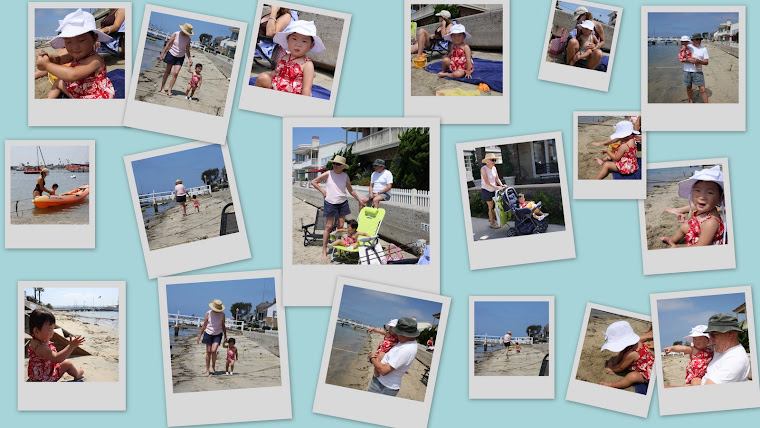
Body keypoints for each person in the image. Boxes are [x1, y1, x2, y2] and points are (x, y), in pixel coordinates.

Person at [35, 9, 115, 99]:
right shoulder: (74, 55)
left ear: (94, 38)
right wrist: (48, 58)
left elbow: (73, 75)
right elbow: (59, 59)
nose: (75, 47)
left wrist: (47, 65)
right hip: (78, 91)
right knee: (58, 82)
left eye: (81, 40)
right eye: (69, 42)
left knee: (61, 81)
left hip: (93, 96)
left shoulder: (94, 60)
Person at [311, 155, 365, 260]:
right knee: (328, 227)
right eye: (334, 163)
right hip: (330, 202)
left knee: (340, 227)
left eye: (338, 164)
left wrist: (360, 200)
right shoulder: (328, 174)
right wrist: (323, 191)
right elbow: (314, 182)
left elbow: (351, 190)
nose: (335, 165)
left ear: (342, 166)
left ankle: (339, 247)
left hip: (342, 203)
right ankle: (324, 251)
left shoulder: (345, 176)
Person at [660, 166, 724, 248]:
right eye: (697, 190)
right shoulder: (704, 209)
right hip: (700, 232)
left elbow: (701, 246)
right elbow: (699, 221)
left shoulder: (711, 223)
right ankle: (672, 240)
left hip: (704, 245)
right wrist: (689, 220)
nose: (702, 197)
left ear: (720, 198)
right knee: (685, 226)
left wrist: (678, 248)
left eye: (710, 193)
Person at [254, 20, 323, 95]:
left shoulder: (307, 64)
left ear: (311, 46)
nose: (298, 44)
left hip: (292, 93)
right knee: (263, 77)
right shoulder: (284, 57)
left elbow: (307, 88)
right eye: (294, 39)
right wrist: (267, 77)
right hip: (277, 87)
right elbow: (276, 73)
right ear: (287, 40)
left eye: (304, 41)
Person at [27, 307, 85, 382]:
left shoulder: (36, 342)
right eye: (49, 330)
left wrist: (47, 344)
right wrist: (71, 346)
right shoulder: (41, 347)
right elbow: (57, 358)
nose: (52, 333)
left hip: (37, 376)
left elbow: (41, 354)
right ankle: (77, 374)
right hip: (44, 379)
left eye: (53, 329)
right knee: (67, 363)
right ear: (36, 331)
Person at [368, 318, 420, 396]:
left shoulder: (406, 349)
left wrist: (372, 358)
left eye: (397, 333)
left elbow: (383, 370)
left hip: (383, 387)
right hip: (382, 383)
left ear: (404, 335)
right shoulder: (405, 342)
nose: (396, 335)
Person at [599, 321, 653, 389]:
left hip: (647, 371)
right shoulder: (636, 342)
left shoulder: (631, 354)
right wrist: (615, 362)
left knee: (632, 376)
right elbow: (621, 353)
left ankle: (612, 385)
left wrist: (612, 369)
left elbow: (620, 368)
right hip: (648, 362)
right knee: (618, 357)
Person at [700, 313, 750, 384]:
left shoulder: (735, 360)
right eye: (709, 334)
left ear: (730, 333)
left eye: (713, 334)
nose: (710, 339)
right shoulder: (722, 350)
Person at [158, 23, 194, 96]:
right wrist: (162, 54)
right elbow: (168, 44)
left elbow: (187, 50)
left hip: (180, 57)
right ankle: (162, 88)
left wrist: (190, 59)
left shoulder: (188, 39)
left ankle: (169, 90)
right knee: (167, 72)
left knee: (176, 73)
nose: (186, 34)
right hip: (171, 54)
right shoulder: (176, 34)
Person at [197, 299, 227, 376]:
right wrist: (200, 335)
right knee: (208, 351)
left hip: (218, 333)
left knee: (213, 351)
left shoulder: (222, 314)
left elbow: (223, 326)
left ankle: (213, 366)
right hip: (208, 333)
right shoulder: (208, 313)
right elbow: (204, 325)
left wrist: (225, 336)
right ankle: (207, 369)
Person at [681, 33, 709, 103]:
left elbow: (706, 62)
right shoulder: (688, 46)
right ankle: (691, 101)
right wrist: (688, 60)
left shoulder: (703, 49)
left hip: (698, 71)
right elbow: (681, 56)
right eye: (697, 39)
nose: (699, 41)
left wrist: (698, 61)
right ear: (693, 40)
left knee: (702, 89)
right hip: (686, 71)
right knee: (688, 87)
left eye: (700, 39)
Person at [480, 153, 505, 229]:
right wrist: (497, 187)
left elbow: (497, 178)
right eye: (492, 160)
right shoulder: (483, 169)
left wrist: (501, 185)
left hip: (494, 190)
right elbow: (487, 182)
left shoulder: (494, 168)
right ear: (487, 161)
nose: (494, 162)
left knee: (495, 206)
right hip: (486, 190)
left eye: (495, 160)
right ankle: (492, 223)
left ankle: (492, 219)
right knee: (491, 207)